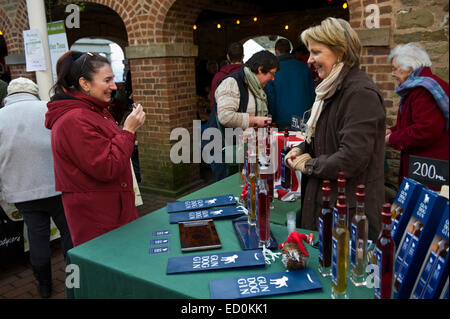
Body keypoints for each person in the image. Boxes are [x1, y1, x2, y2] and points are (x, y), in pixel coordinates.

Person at [285, 17, 386, 240]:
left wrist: (309, 165)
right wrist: (302, 149)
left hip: (348, 218)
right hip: (330, 208)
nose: (310, 60)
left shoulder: (359, 93)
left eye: (316, 52)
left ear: (339, 52)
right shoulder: (330, 90)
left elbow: (351, 158)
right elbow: (323, 139)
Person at [45, 51, 146, 247]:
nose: (114, 86)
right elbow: (106, 167)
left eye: (113, 79)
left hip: (113, 211)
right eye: (107, 80)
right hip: (98, 218)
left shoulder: (95, 111)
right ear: (85, 84)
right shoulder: (75, 120)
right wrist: (128, 130)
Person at [0, 77, 73, 298]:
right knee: (69, 232)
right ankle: (75, 278)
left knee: (36, 237)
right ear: (33, 92)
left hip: (22, 190)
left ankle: (44, 285)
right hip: (57, 184)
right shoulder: (47, 108)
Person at [386, 43, 449, 190]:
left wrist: (392, 139)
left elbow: (426, 129)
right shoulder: (422, 86)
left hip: (429, 172)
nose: (392, 74)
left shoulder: (422, 90)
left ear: (409, 68)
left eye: (395, 69)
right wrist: (393, 130)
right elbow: (414, 120)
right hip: (425, 168)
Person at [208, 50, 279, 181]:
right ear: (260, 69)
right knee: (230, 190)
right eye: (272, 74)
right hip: (224, 150)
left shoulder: (255, 86)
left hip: (241, 149)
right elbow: (225, 116)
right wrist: (255, 121)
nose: (273, 78)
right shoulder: (232, 82)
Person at [266, 38, 315, 130]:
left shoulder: (272, 70)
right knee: (301, 143)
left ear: (276, 51)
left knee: (284, 143)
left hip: (282, 118)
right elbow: (312, 93)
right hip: (302, 116)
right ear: (289, 51)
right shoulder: (303, 67)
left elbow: (271, 97)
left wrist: (271, 118)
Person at [209, 42, 245, 110]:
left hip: (223, 116)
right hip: (247, 117)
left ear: (228, 57)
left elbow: (213, 103)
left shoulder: (218, 76)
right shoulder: (249, 75)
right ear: (243, 56)